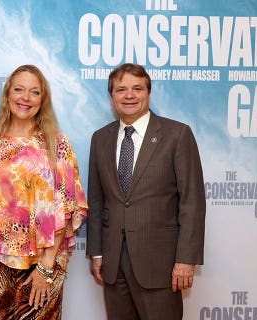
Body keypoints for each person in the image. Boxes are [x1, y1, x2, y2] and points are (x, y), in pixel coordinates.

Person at [0, 64, 88, 320]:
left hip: (41, 264)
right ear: (8, 94)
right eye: (19, 90)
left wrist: (45, 267)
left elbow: (66, 205)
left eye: (34, 92)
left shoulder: (56, 143)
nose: (25, 98)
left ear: (43, 100)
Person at [86, 63, 206, 319]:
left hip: (161, 265)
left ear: (148, 93)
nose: (129, 95)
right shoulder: (100, 139)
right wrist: (97, 253)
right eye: (121, 89)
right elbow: (96, 202)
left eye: (137, 88)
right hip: (113, 263)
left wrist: (186, 259)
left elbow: (192, 202)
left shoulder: (177, 135)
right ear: (112, 96)